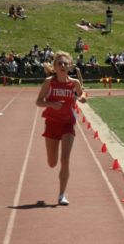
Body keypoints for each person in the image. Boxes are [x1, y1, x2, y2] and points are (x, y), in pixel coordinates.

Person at [35, 51, 87, 207]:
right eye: (60, 64)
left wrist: (83, 97)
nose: (63, 66)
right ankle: (52, 162)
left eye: (66, 63)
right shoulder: (49, 82)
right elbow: (38, 102)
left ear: (69, 66)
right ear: (55, 67)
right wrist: (51, 104)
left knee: (65, 160)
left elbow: (81, 93)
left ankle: (62, 195)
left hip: (67, 124)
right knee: (52, 162)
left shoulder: (74, 82)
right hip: (52, 123)